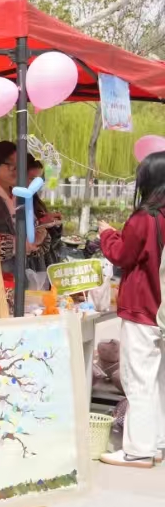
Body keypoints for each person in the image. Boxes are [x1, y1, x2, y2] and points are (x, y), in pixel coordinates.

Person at [96, 151, 165, 469]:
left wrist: (107, 233)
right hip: (161, 309)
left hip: (142, 306)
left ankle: (137, 450)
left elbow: (122, 255)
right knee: (158, 380)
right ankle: (157, 443)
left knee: (138, 380)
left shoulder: (144, 218)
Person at [27, 156, 63, 272]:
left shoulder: (35, 199)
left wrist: (53, 223)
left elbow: (53, 240)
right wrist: (41, 222)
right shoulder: (16, 200)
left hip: (41, 260)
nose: (37, 184)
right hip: (28, 261)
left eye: (39, 180)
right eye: (32, 179)